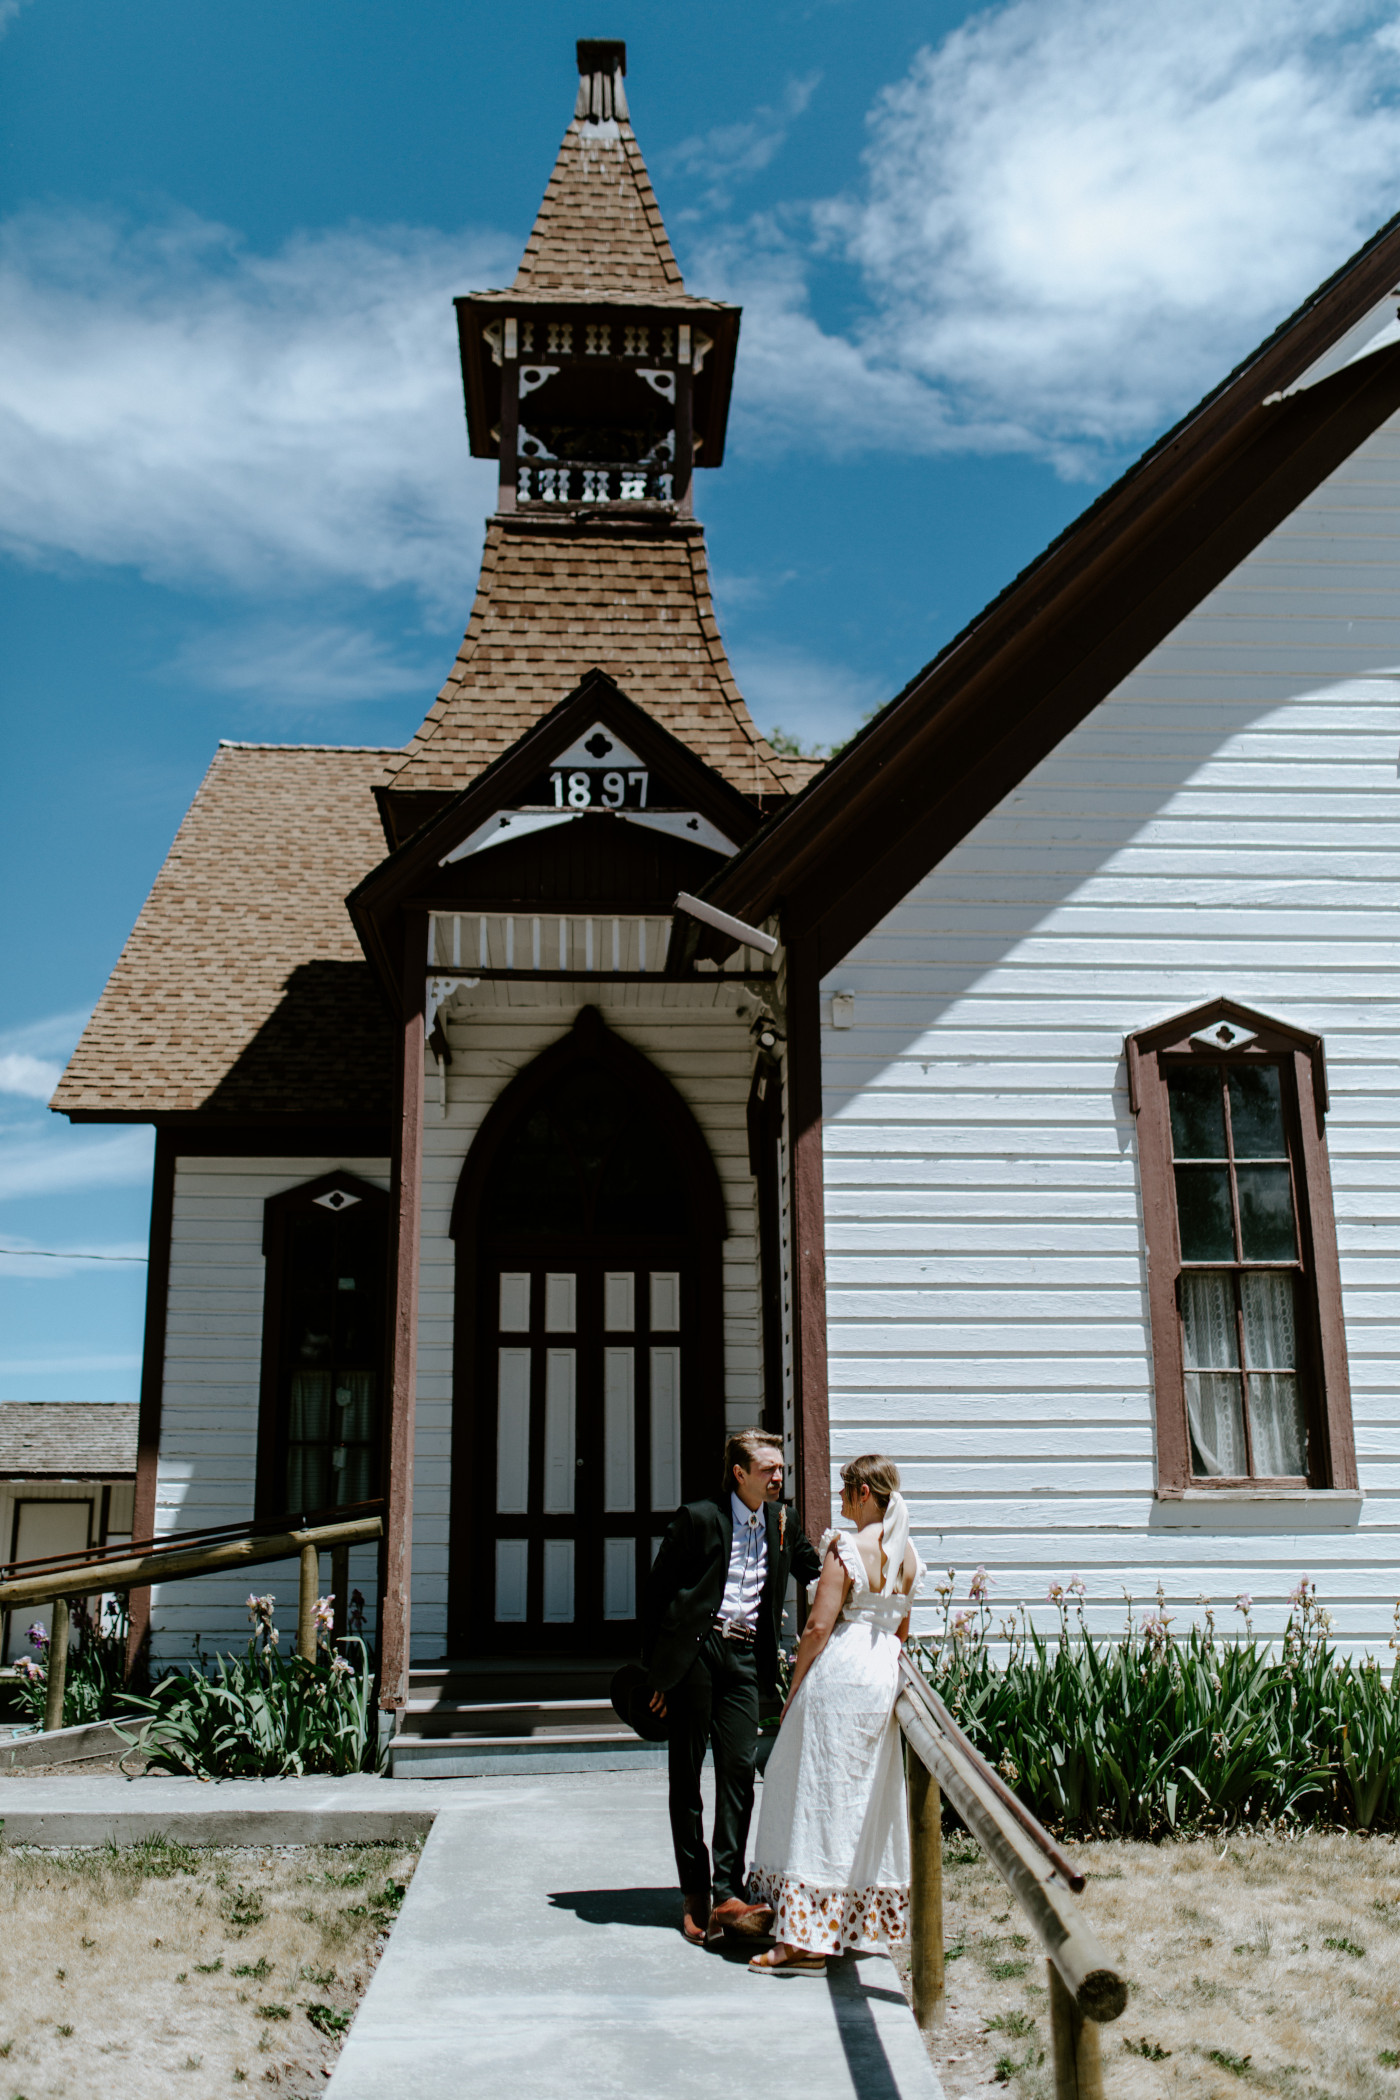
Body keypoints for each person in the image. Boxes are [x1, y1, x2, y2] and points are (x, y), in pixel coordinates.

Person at [641, 1429, 823, 1947]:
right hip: (697, 1654)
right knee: (687, 1774)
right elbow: (656, 1596)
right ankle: (695, 1891)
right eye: (768, 1469)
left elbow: (818, 1568)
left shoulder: (781, 1521)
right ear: (740, 1473)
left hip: (745, 1658)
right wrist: (659, 1673)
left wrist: (874, 1554)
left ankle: (727, 1890)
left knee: (740, 1770)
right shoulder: (699, 1518)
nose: (778, 1476)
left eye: (781, 1468)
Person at [745, 1453, 924, 1975]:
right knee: (854, 1798)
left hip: (841, 1675)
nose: (842, 1501)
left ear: (864, 1493)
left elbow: (818, 1628)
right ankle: (836, 1924)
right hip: (879, 1675)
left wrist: (796, 1688)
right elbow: (901, 1630)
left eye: (846, 1491)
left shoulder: (845, 1549)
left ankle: (802, 1941)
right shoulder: (907, 1553)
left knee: (812, 1795)